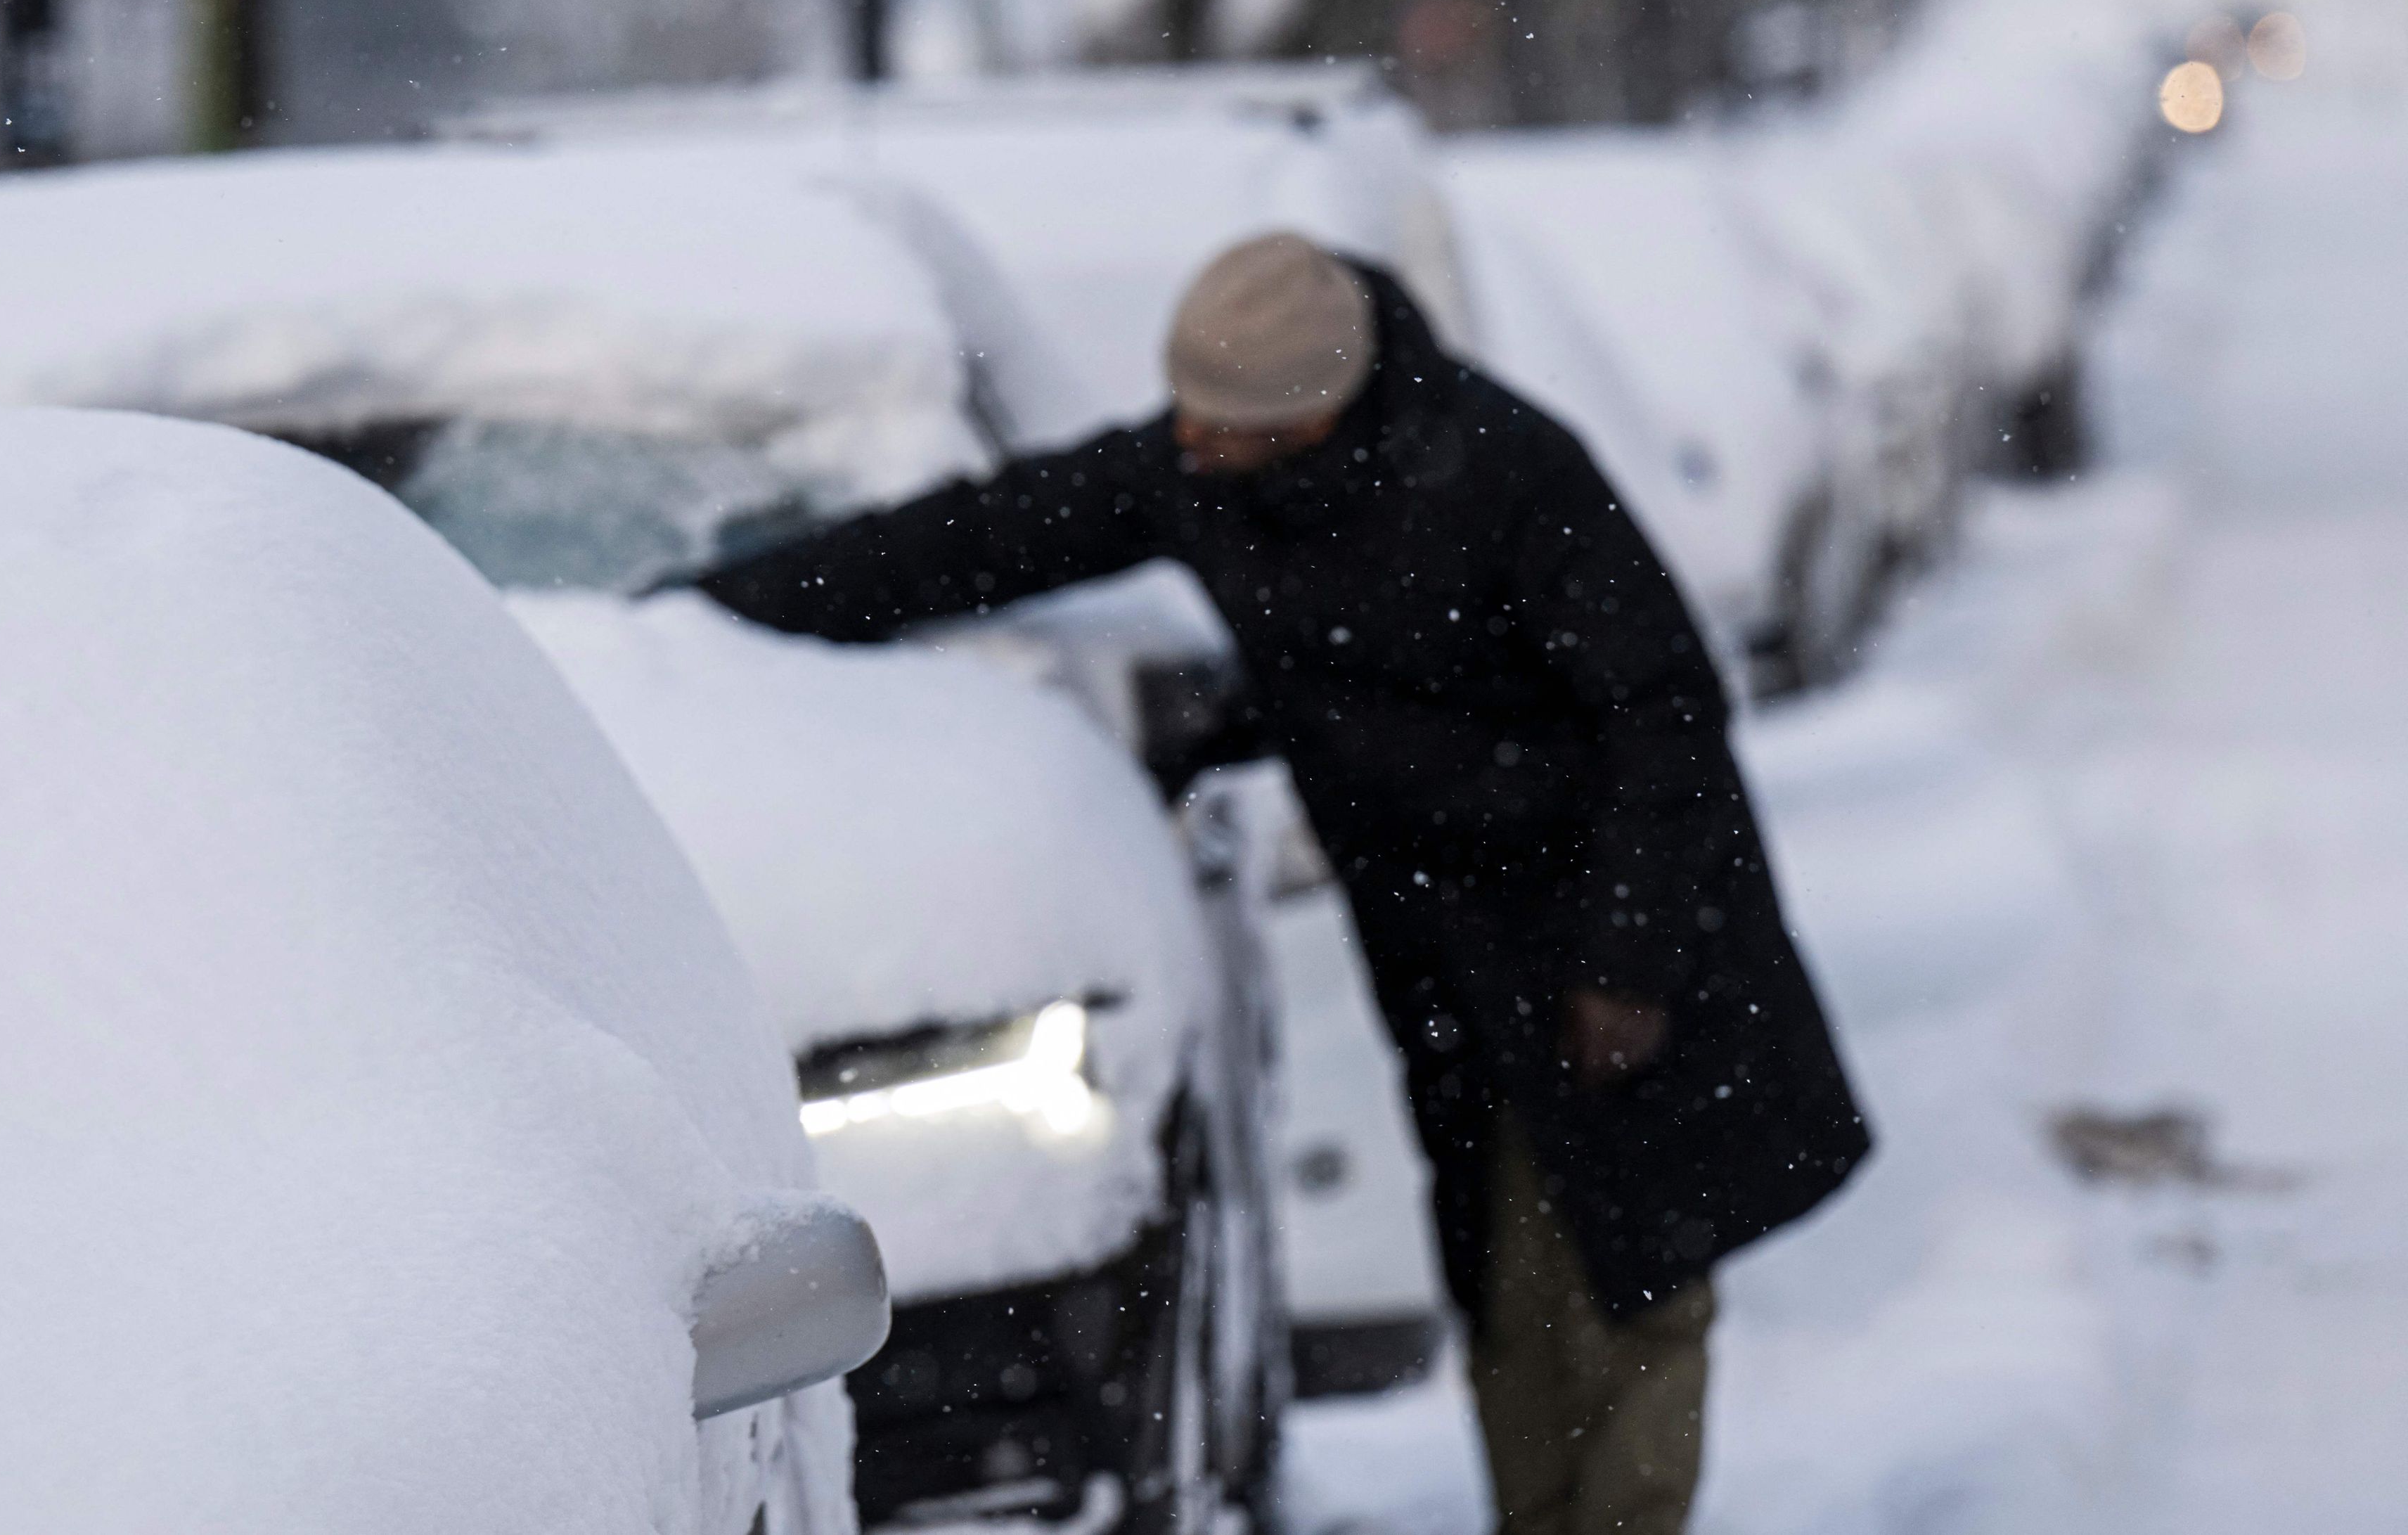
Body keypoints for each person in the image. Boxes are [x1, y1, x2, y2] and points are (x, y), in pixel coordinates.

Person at [697, 231, 1869, 1535]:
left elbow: (1665, 716)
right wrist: (713, 609)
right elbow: (982, 536)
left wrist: (1627, 964)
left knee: (1634, 1279)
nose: (1186, 438)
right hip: (1445, 945)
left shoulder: (1504, 471)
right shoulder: (1211, 472)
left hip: (1605, 925)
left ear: (1311, 412)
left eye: (1224, 420)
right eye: (1187, 407)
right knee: (1505, 1277)